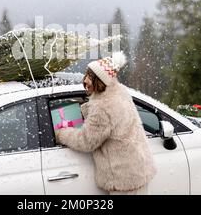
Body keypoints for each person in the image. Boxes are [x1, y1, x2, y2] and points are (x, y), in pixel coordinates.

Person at [56, 51, 157, 195]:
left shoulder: (102, 107)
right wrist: (86, 108)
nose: (85, 80)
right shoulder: (119, 91)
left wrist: (62, 134)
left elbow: (86, 141)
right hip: (136, 168)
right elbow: (110, 121)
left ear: (99, 80)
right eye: (86, 74)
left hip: (122, 177)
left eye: (89, 77)